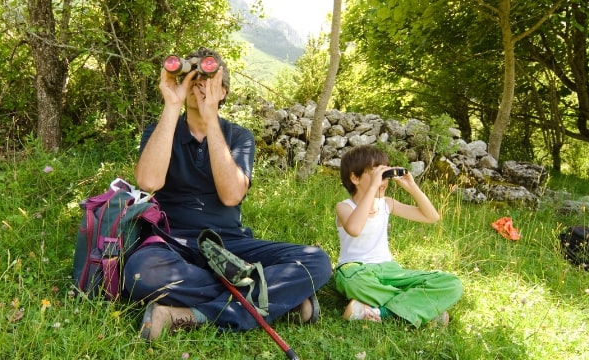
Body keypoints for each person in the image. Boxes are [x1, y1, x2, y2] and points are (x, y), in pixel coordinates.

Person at [123, 47, 332, 340]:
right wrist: (172, 105)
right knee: (140, 273)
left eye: (208, 81)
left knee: (317, 261)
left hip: (228, 244)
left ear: (223, 92)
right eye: (192, 80)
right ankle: (274, 298)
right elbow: (148, 181)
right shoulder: (160, 130)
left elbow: (232, 195)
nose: (200, 86)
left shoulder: (239, 136)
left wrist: (210, 121)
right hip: (171, 240)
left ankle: (188, 315)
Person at [334, 145, 462, 327]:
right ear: (354, 177)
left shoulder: (386, 204)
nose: (382, 180)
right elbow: (355, 228)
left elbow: (431, 217)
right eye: (375, 174)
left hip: (389, 270)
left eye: (385, 173)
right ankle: (421, 307)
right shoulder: (344, 206)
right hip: (356, 269)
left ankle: (379, 312)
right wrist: (372, 188)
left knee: (452, 283)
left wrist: (412, 187)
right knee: (352, 282)